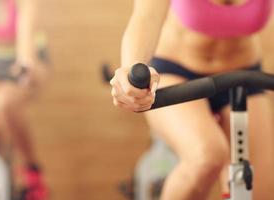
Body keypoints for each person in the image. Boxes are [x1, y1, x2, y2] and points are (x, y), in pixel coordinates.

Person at [110, 0, 274, 199]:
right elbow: (147, 17)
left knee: (258, 191)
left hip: (243, 76)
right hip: (176, 72)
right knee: (207, 157)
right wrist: (132, 70)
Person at [0, 0, 50, 199]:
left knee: (4, 104)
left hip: (24, 59)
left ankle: (32, 172)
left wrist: (26, 65)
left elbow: (26, 41)